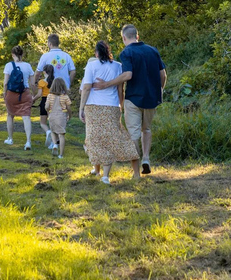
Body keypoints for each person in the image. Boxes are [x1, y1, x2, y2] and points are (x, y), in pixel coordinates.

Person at [92, 25, 166, 175]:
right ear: (137, 36)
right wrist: (159, 91)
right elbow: (163, 74)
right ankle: (146, 158)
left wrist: (106, 84)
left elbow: (127, 75)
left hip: (133, 99)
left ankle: (136, 172)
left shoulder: (127, 52)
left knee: (133, 134)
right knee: (147, 129)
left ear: (124, 38)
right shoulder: (153, 50)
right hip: (151, 98)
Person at [80, 41, 140, 184]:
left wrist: (81, 108)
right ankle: (104, 175)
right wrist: (121, 105)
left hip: (93, 106)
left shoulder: (92, 65)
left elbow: (87, 88)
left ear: (96, 53)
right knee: (110, 139)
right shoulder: (118, 66)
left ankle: (100, 171)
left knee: (94, 139)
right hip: (112, 106)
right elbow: (120, 89)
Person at [3, 45, 36, 150]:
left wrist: (5, 94)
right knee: (26, 117)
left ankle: (10, 138)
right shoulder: (28, 66)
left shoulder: (8, 65)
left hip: (11, 94)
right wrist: (34, 94)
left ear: (13, 55)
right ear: (22, 54)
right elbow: (32, 83)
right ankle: (28, 142)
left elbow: (5, 83)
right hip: (25, 93)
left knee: (10, 115)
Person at [45, 77, 71, 158]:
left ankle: (55, 145)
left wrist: (48, 112)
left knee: (53, 131)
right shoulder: (65, 96)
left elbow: (46, 106)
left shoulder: (49, 96)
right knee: (61, 134)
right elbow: (69, 108)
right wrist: (69, 115)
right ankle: (61, 154)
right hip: (61, 116)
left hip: (52, 115)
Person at [32, 64, 56, 148]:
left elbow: (39, 94)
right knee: (52, 122)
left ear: (44, 72)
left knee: (43, 122)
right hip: (53, 101)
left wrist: (33, 99)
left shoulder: (41, 82)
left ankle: (47, 132)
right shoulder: (55, 81)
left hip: (44, 101)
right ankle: (54, 142)